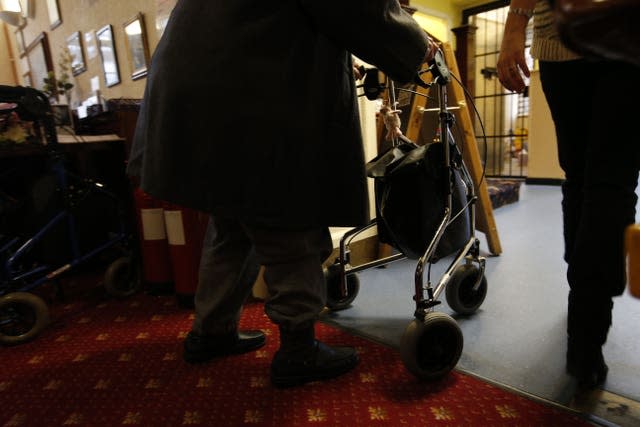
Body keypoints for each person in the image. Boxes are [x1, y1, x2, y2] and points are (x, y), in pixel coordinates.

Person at [127, 0, 437, 388]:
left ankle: (211, 332)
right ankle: (298, 350)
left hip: (202, 70)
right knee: (290, 217)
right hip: (250, 84)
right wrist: (413, 41)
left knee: (233, 219)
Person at [497, 0, 640, 389]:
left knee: (581, 180)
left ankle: (583, 306)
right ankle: (586, 333)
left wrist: (515, 25)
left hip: (560, 36)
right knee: (609, 183)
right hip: (624, 34)